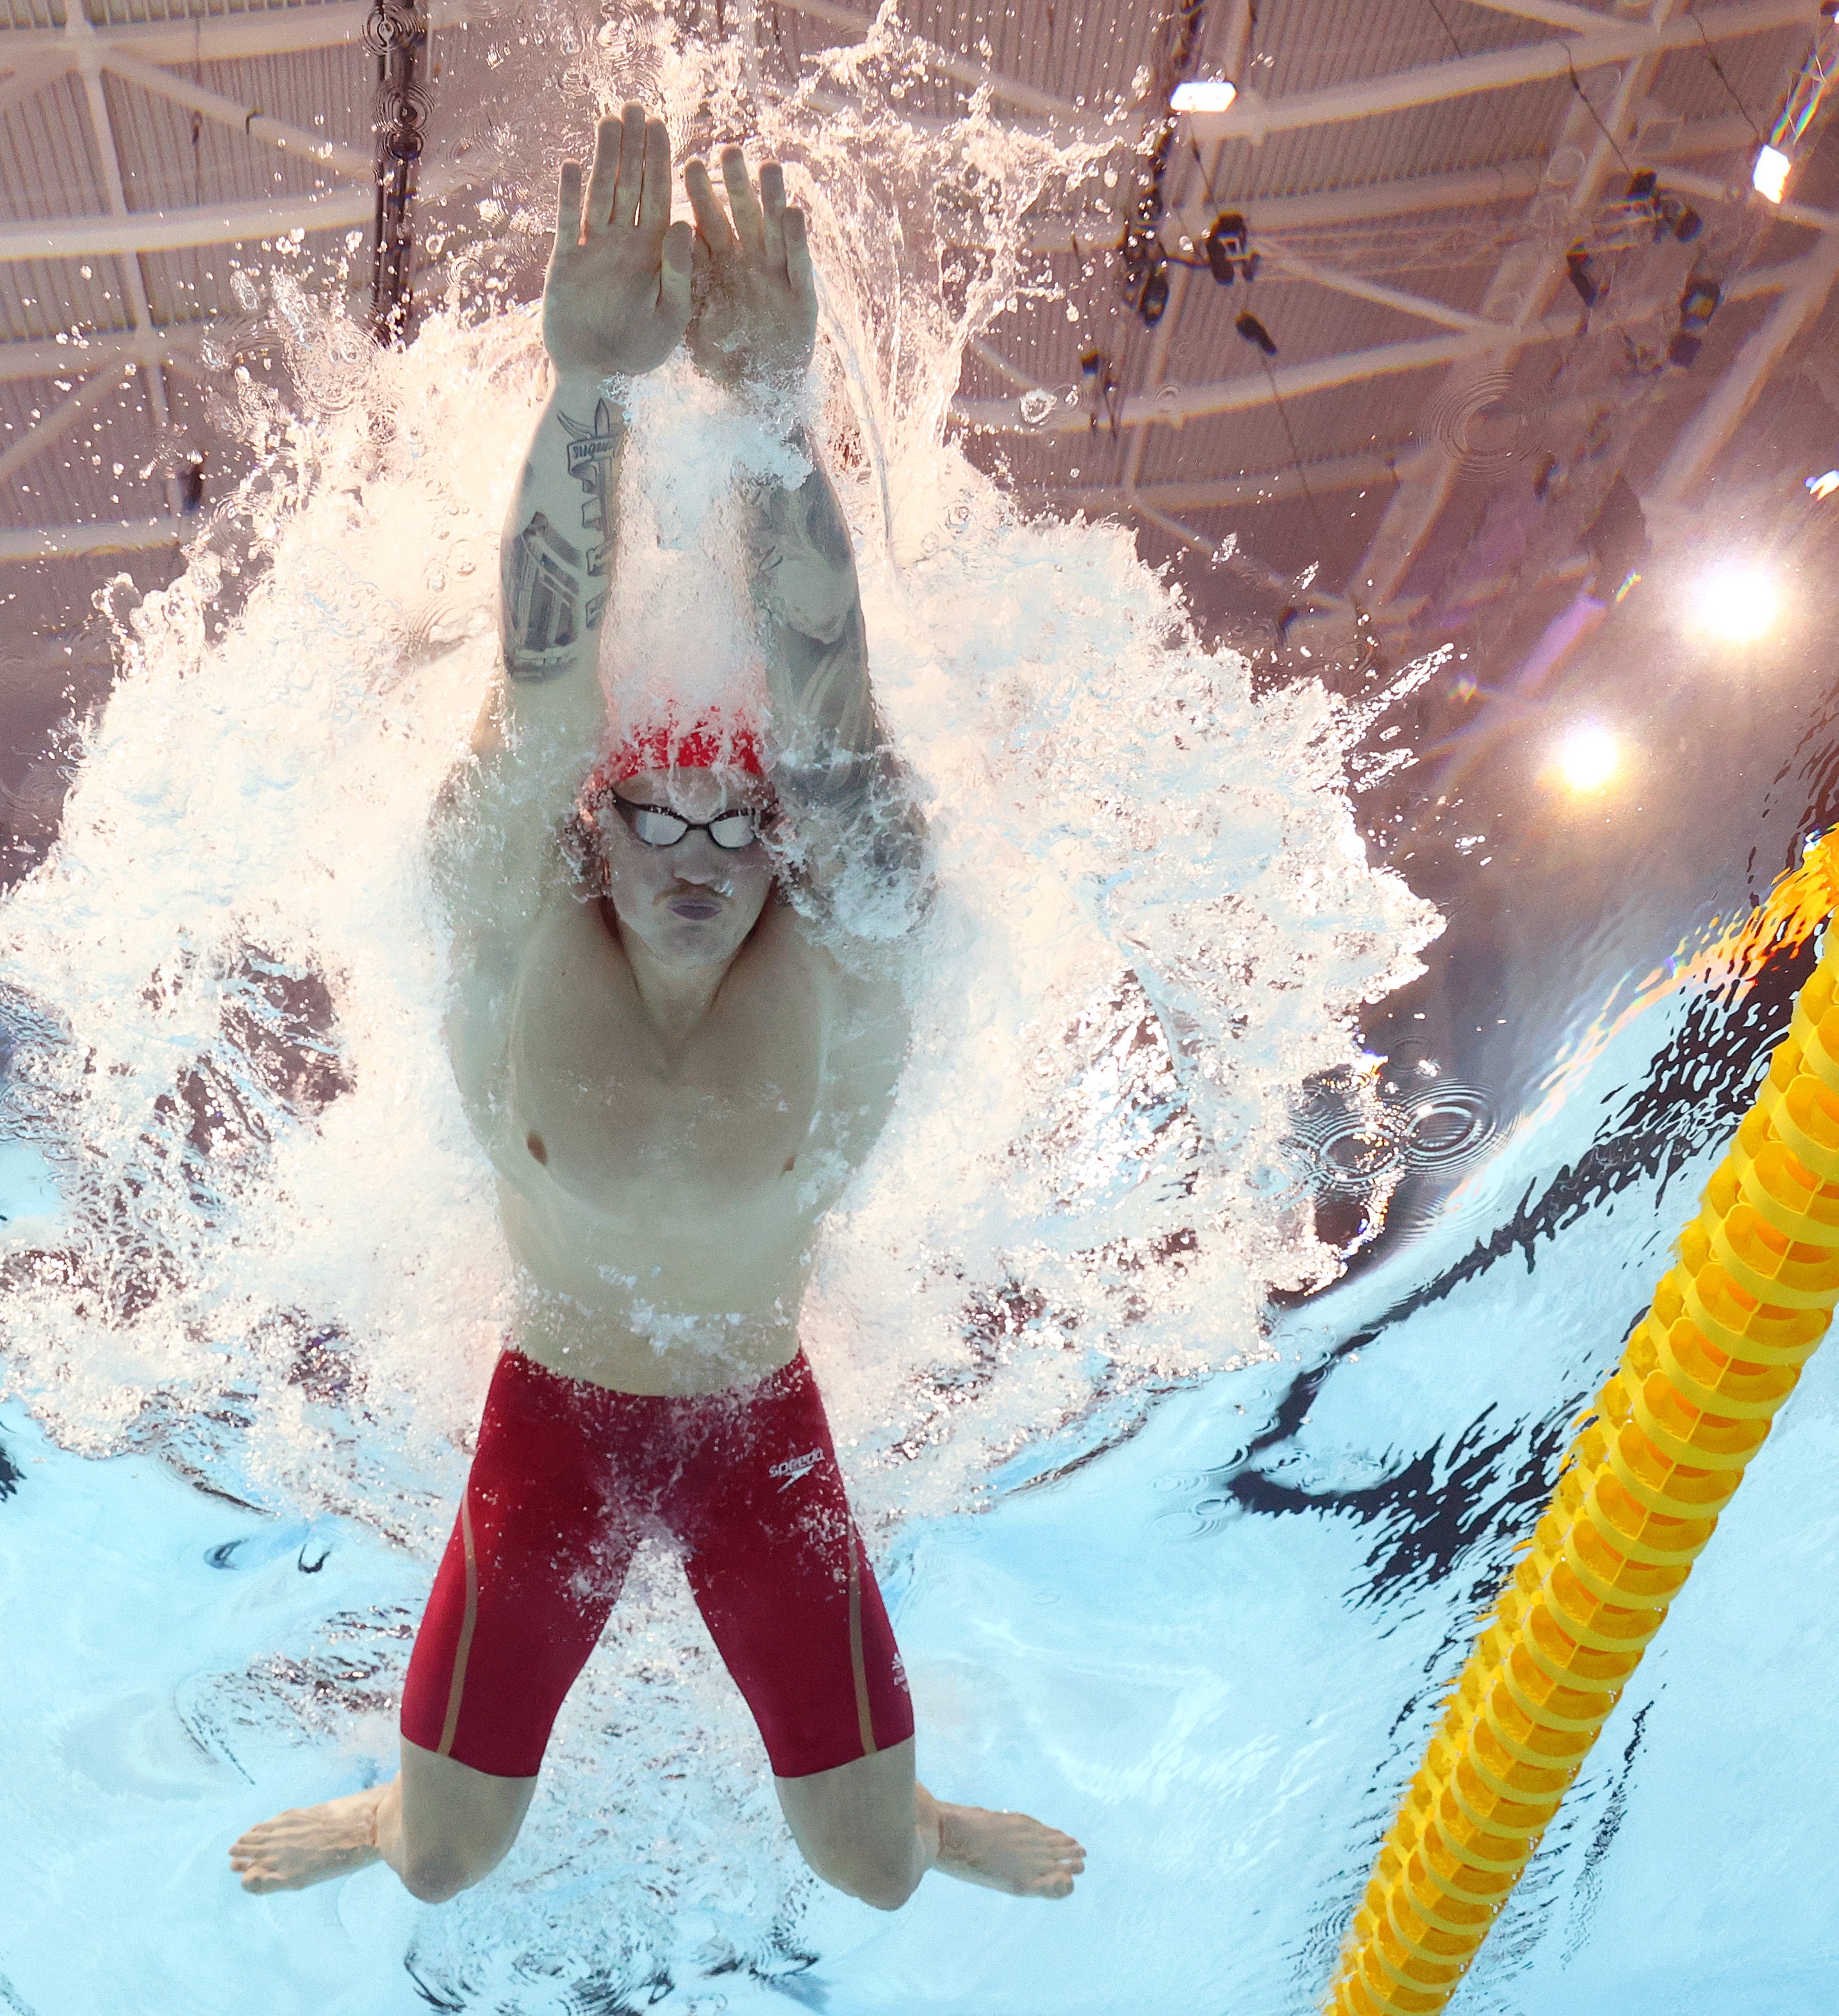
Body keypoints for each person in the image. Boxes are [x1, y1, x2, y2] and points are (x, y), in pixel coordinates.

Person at [231, 106, 1084, 1911]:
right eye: (651, 813)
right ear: (595, 824)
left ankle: (921, 1812)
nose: (693, 850)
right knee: (445, 1863)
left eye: (732, 820)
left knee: (871, 1873)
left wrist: (777, 425)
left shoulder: (847, 940)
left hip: (758, 1425)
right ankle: (384, 1807)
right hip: (555, 1416)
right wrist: (588, 399)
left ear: (776, 842)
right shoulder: (504, 923)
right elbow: (540, 670)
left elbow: (828, 695)